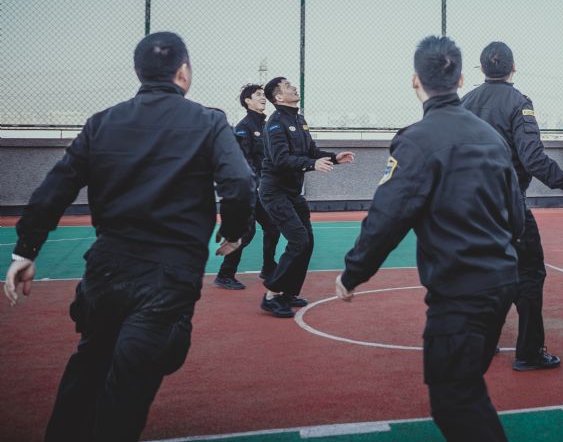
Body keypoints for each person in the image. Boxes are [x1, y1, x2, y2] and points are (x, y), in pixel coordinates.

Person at [3, 32, 255, 441]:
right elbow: (240, 184)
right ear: (184, 72)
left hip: (106, 270)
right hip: (167, 276)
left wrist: (25, 251)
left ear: (139, 72)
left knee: (89, 367)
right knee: (131, 386)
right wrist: (233, 232)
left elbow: (55, 188)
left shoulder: (102, 122)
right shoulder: (209, 122)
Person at [336, 36, 523, 442]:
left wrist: (353, 274)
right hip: (502, 281)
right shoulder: (492, 139)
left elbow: (387, 217)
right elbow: (517, 217)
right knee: (465, 386)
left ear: (415, 80)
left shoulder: (416, 140)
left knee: (455, 400)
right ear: (460, 79)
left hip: (460, 291)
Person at [461, 41, 563, 371]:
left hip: (471, 209)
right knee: (529, 275)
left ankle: (482, 340)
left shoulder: (464, 103)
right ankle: (529, 352)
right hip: (507, 207)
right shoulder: (518, 103)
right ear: (513, 67)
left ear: (481, 69)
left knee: (483, 274)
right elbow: (533, 158)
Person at [258, 76, 354, 318]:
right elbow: (281, 159)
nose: (293, 87)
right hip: (274, 191)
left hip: (292, 192)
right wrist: (312, 164)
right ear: (279, 97)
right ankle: (271, 295)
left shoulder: (299, 120)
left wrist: (334, 158)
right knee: (298, 239)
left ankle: (288, 293)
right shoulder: (275, 123)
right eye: (287, 86)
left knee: (307, 241)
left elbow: (311, 151)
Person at [214, 83, 282, 289]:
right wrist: (257, 183)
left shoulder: (266, 125)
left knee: (273, 227)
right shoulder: (244, 128)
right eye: (258, 95)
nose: (263, 98)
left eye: (263, 95)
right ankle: (225, 274)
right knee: (247, 232)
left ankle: (268, 268)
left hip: (263, 190)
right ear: (247, 101)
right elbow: (244, 161)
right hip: (249, 190)